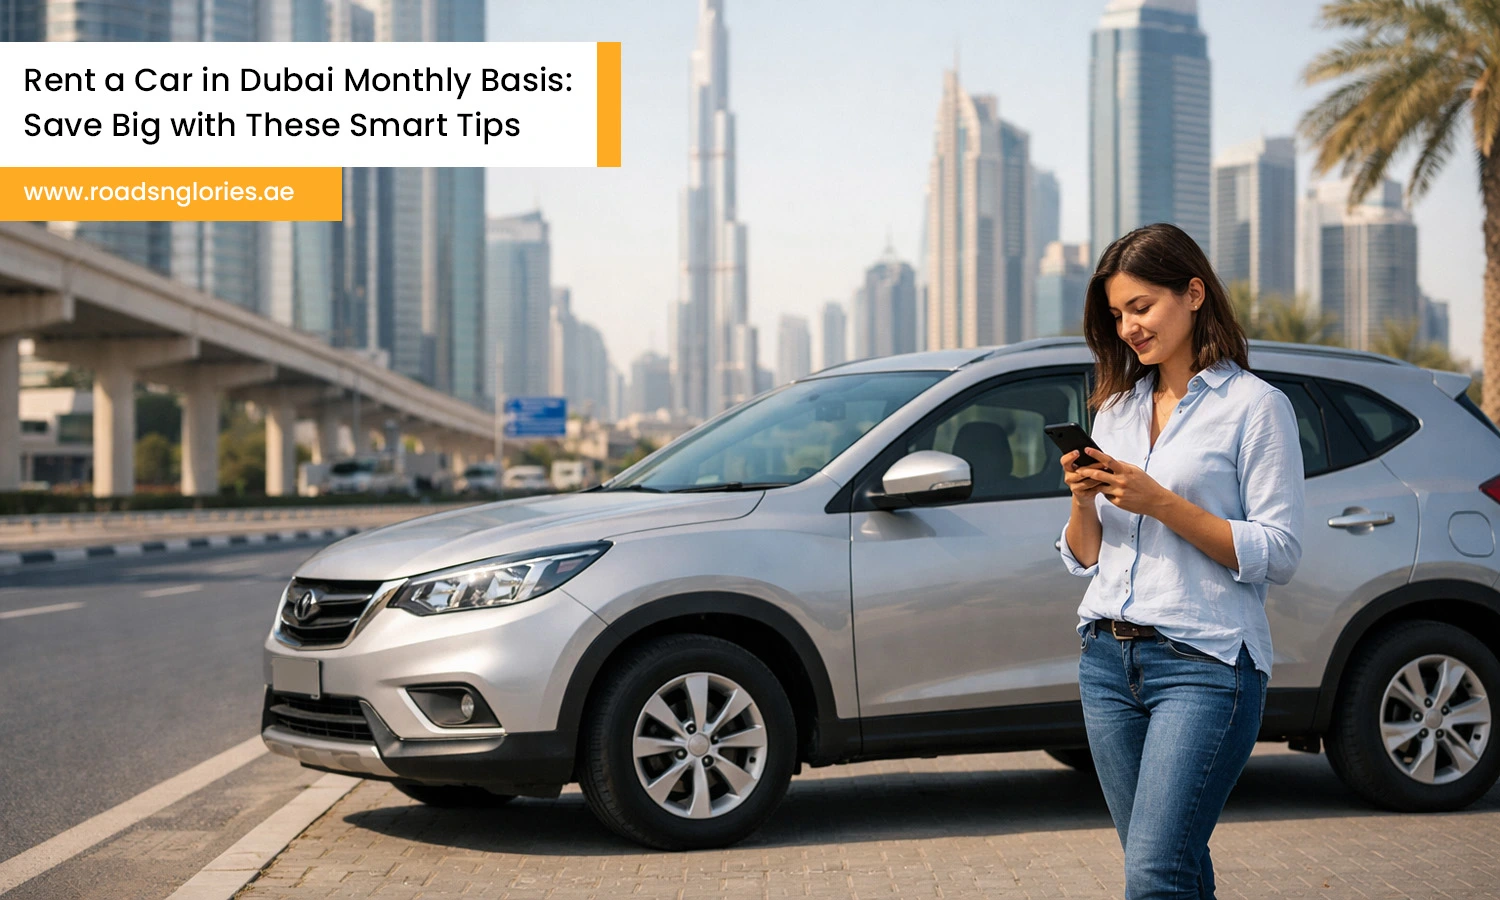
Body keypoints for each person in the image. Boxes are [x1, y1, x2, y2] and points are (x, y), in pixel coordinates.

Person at [1059, 223, 1305, 899]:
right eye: (1117, 316)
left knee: (1153, 875)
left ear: (1193, 293)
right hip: (1107, 664)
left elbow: (1279, 552)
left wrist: (1161, 502)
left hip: (1206, 667)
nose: (1129, 327)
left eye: (1141, 307)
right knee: (1174, 866)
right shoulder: (1115, 410)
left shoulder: (1256, 408)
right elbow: (1084, 557)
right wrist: (1084, 500)